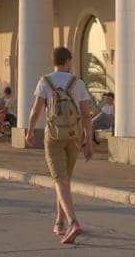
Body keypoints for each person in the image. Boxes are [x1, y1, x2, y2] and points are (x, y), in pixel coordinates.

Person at [24, 46, 93, 245]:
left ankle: (72, 222)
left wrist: (29, 131)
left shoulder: (45, 81)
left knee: (60, 180)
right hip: (73, 136)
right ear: (68, 61)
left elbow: (36, 110)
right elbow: (86, 114)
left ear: (53, 61)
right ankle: (59, 223)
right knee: (65, 180)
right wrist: (89, 141)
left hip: (53, 136)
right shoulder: (77, 82)